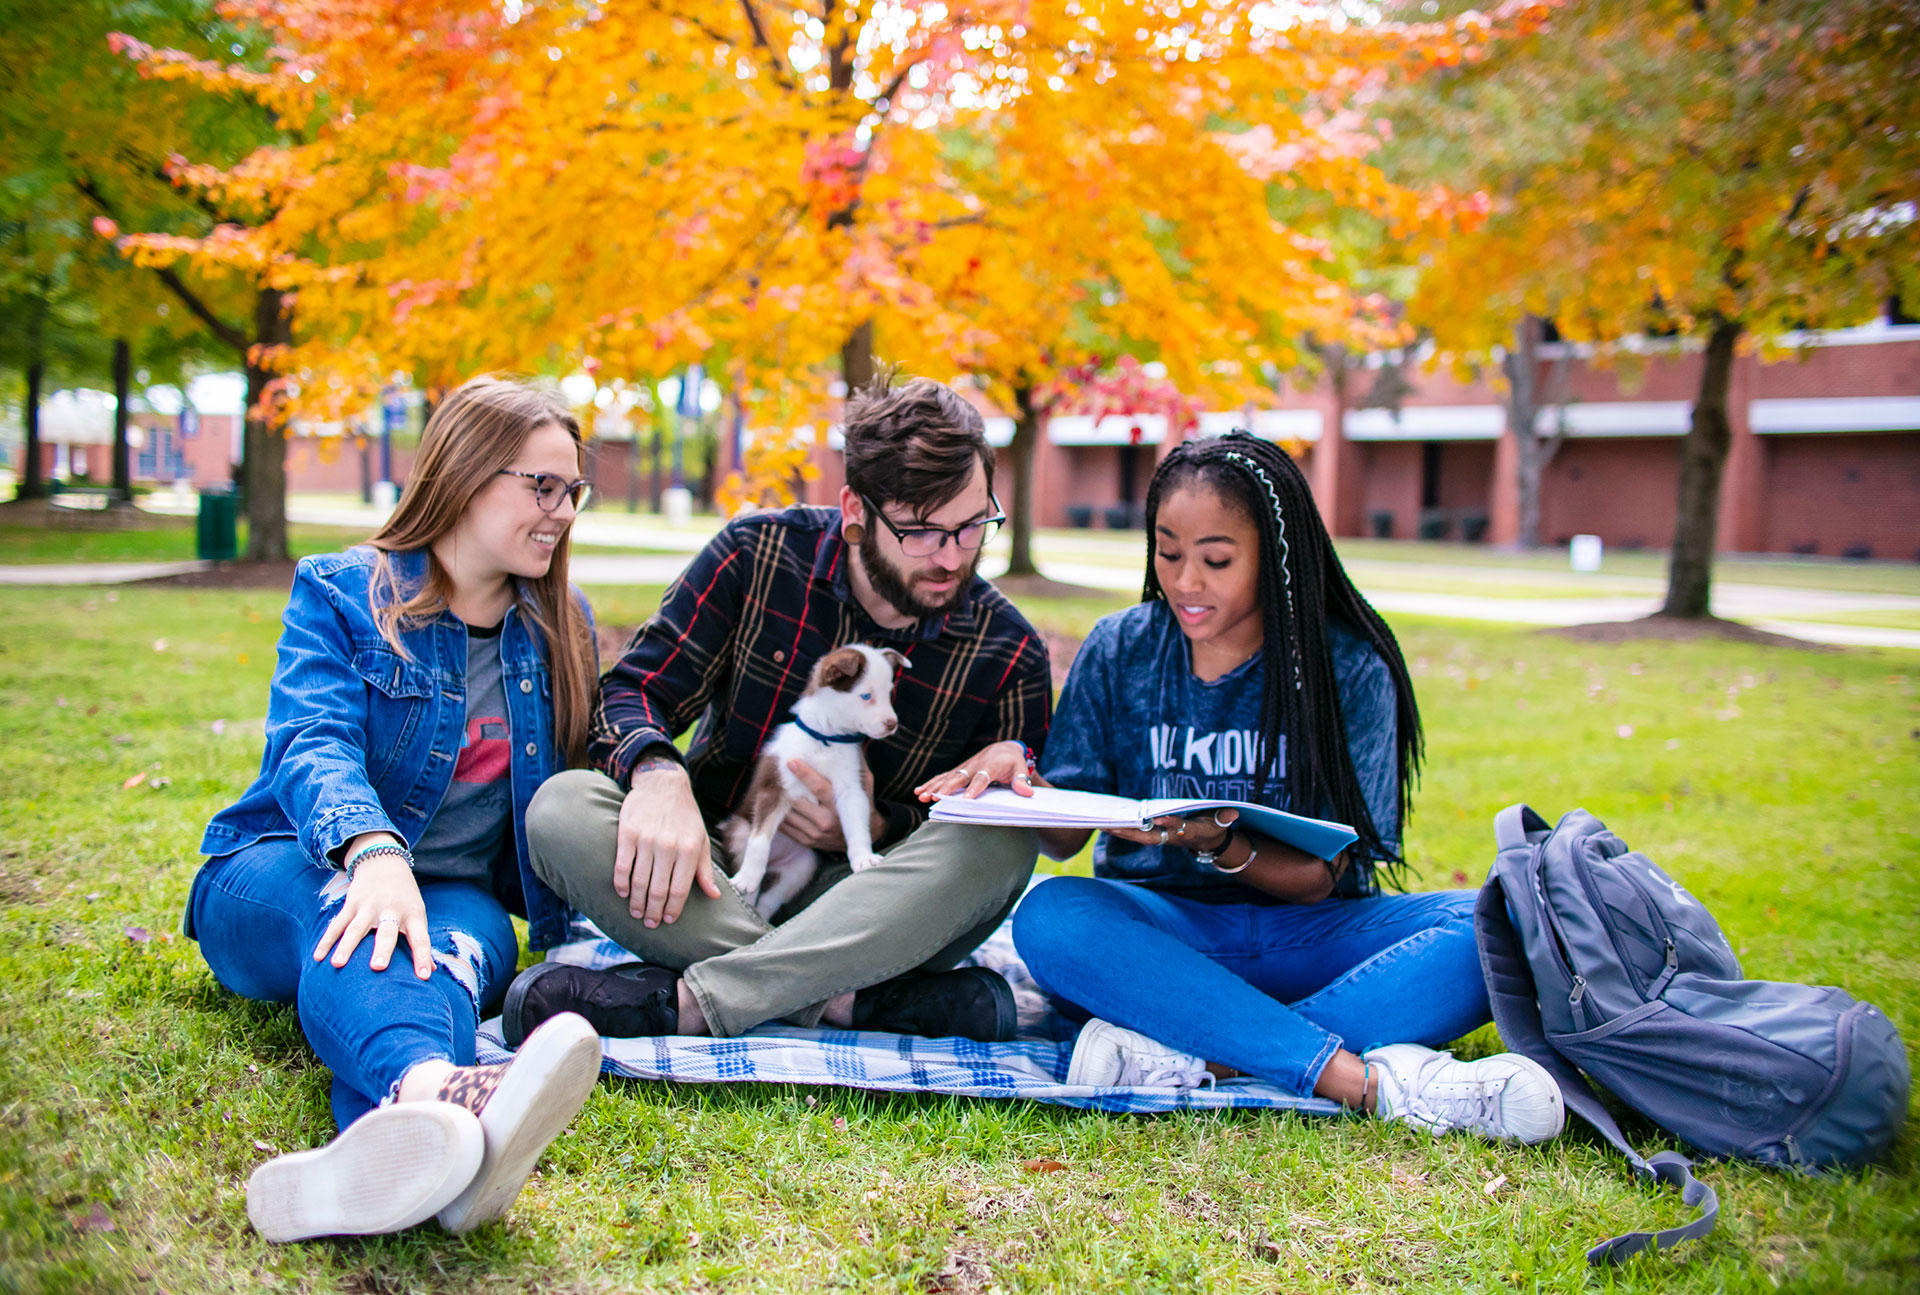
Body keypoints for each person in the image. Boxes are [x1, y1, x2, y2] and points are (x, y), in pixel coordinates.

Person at [921, 431, 1564, 1142]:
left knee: (1494, 926)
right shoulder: (1121, 648)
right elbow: (1067, 839)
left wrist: (1222, 844)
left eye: (1216, 559)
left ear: (1276, 559)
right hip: (1166, 934)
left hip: (1312, 934)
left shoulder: (1345, 668)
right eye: (1168, 553)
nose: (1187, 580)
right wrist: (1020, 772)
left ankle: (1197, 1052)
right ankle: (1363, 1079)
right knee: (1054, 916)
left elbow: (1324, 880)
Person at [507, 372, 1052, 1045]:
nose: (951, 556)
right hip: (720, 880)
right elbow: (631, 691)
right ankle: (851, 1002)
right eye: (920, 532)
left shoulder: (1010, 650)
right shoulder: (756, 556)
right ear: (855, 512)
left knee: (1002, 833)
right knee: (562, 807)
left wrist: (883, 818)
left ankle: (688, 1002)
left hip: (880, 905)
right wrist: (658, 773)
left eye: (973, 527)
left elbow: (1007, 831)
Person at [187, 377, 606, 1242]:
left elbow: (604, 752)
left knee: (451, 955)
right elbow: (313, 740)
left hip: (456, 893)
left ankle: (415, 1131)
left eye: (573, 491)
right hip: (286, 868)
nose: (562, 510)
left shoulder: (562, 624)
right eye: (541, 485)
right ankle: (454, 1095)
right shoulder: (345, 592)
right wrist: (372, 852)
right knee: (362, 914)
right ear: (463, 471)